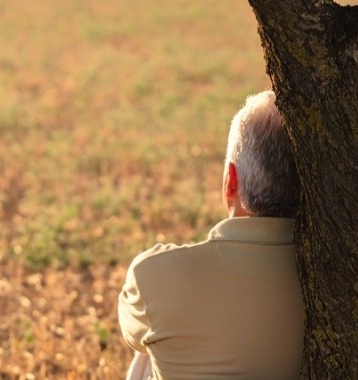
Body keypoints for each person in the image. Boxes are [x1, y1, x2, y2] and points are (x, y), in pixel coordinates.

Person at [118, 90, 305, 379]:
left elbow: (131, 335)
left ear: (231, 180)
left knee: (149, 344)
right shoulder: (335, 278)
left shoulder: (153, 275)